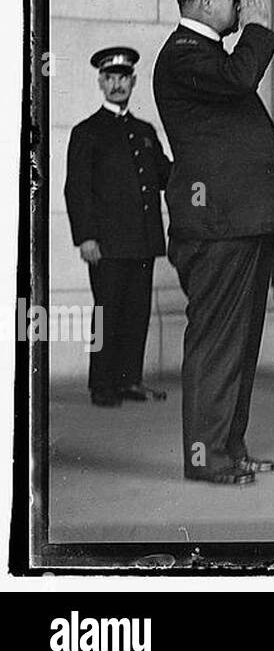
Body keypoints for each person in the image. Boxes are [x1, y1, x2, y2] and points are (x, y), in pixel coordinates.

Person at [153, 0, 274, 486]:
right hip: (217, 225)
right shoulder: (184, 54)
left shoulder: (206, 54)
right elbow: (239, 80)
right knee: (217, 342)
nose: (241, 3)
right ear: (205, 1)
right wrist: (257, 29)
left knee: (240, 341)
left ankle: (228, 448)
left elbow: (233, 85)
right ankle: (203, 456)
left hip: (238, 221)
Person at [64, 47, 171, 407]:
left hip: (142, 240)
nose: (117, 84)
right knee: (106, 313)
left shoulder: (143, 130)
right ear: (100, 82)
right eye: (110, 78)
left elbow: (164, 175)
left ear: (133, 81)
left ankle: (130, 381)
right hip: (107, 243)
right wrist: (86, 237)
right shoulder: (87, 132)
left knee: (137, 312)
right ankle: (102, 386)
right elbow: (76, 189)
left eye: (123, 78)